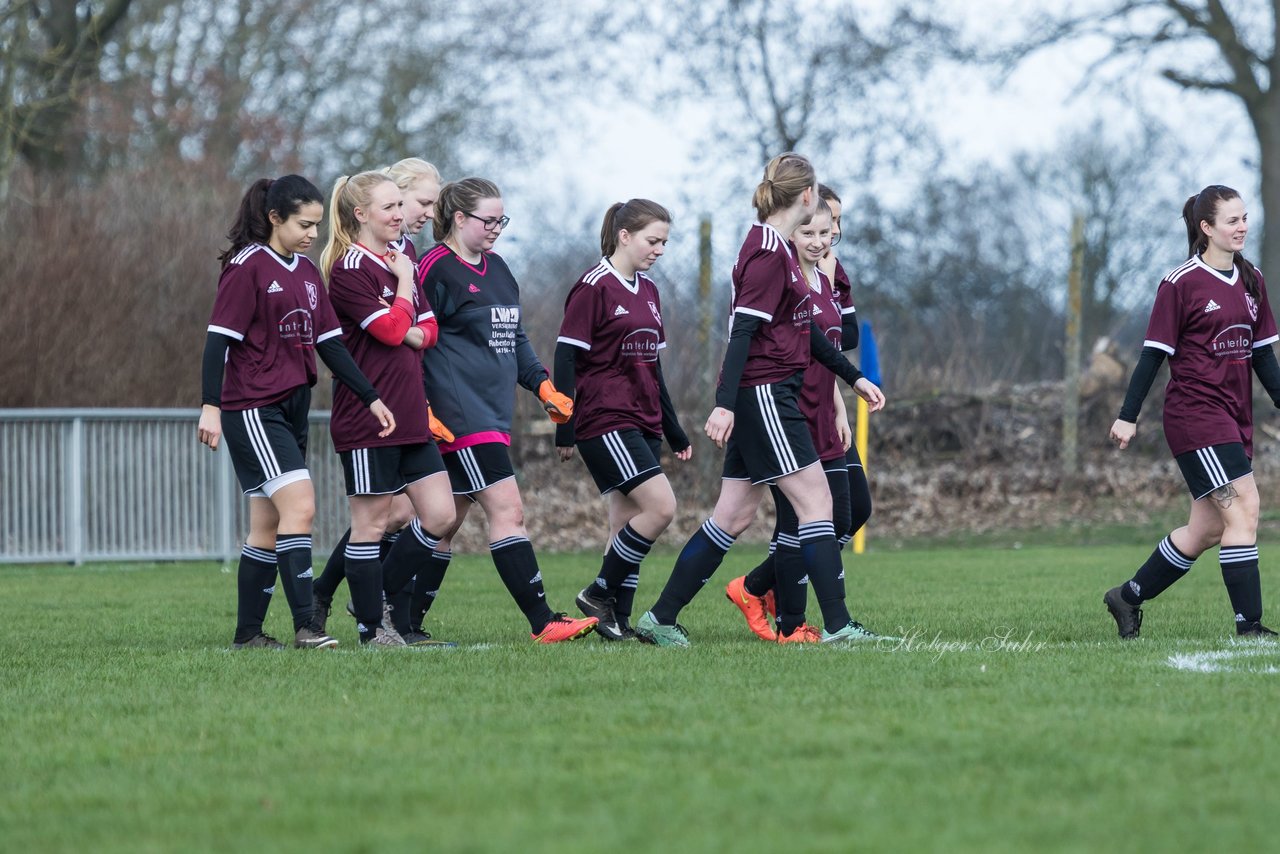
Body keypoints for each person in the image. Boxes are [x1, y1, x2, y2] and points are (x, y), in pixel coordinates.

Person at [634, 153, 885, 647]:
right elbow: (743, 332)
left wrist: (851, 379)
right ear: (808, 196)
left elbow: (806, 331)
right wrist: (725, 403)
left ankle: (660, 618)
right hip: (766, 394)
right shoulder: (769, 252)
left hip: (764, 393)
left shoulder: (778, 249)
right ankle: (838, 626)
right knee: (818, 504)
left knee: (732, 516)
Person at [198, 175, 395, 650]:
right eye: (304, 224)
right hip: (253, 407)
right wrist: (210, 406)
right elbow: (217, 341)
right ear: (274, 218)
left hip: (292, 407)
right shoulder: (247, 266)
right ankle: (308, 625)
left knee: (267, 525)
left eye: (316, 225)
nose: (312, 233)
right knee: (301, 506)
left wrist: (371, 396)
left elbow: (331, 344)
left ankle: (248, 635)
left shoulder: (306, 272)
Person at [415, 177, 597, 643]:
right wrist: (422, 404)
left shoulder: (499, 269)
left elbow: (513, 339)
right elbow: (410, 342)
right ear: (458, 219)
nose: (497, 228)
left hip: (493, 414)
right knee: (508, 510)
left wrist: (544, 387)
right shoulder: (434, 268)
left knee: (443, 524)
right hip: (459, 416)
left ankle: (398, 619)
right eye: (488, 220)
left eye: (502, 220)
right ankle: (543, 621)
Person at [1104, 184, 1279, 639]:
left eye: (1244, 218)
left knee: (1205, 530)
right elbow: (1152, 355)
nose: (1242, 227)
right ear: (1206, 228)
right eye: (1232, 220)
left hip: (1234, 418)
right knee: (1245, 508)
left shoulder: (1252, 279)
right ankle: (1250, 626)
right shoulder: (1180, 283)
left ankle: (1127, 597)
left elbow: (1261, 356)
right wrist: (1128, 414)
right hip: (1196, 417)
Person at [724, 199, 886, 642]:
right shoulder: (780, 268)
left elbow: (843, 337)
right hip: (786, 404)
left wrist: (845, 389)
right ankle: (796, 620)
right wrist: (724, 401)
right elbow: (758, 336)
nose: (825, 235)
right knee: (806, 517)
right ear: (797, 223)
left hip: (826, 404)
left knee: (850, 512)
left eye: (832, 226)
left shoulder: (832, 273)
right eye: (815, 226)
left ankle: (760, 587)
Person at [312, 157, 450, 646]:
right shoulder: (352, 269)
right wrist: (407, 287)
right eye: (389, 207)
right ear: (360, 216)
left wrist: (407, 321)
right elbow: (393, 330)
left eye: (399, 205)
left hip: (410, 412)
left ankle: (371, 596)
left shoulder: (400, 257)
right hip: (371, 417)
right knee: (369, 524)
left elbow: (426, 332)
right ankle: (374, 628)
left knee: (439, 515)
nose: (400, 215)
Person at [553, 199, 692, 640]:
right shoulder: (593, 286)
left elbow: (653, 368)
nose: (659, 250)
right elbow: (565, 356)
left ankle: (615, 618)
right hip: (604, 418)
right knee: (661, 507)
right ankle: (597, 592)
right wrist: (564, 425)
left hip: (644, 419)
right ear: (624, 236)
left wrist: (673, 430)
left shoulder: (649, 292)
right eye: (653, 240)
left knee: (623, 522)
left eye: (665, 243)